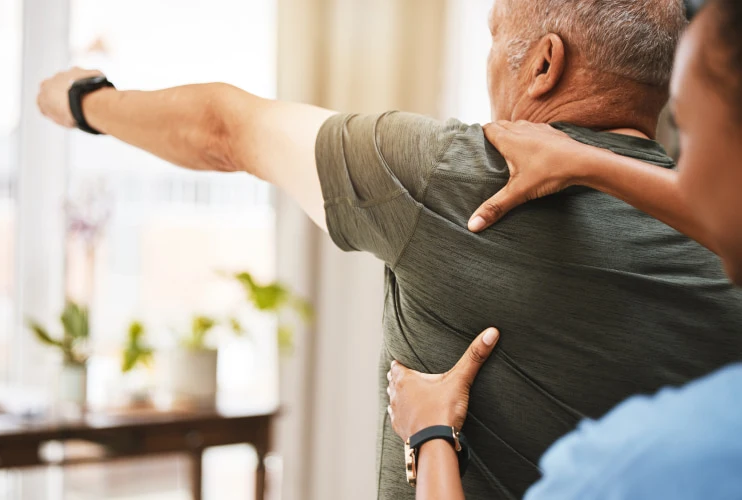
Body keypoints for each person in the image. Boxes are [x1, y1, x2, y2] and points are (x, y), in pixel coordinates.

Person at [36, 1, 742, 498]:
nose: (489, 62)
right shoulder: (723, 223)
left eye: (495, 37)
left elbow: (224, 127)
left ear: (544, 66)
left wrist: (84, 101)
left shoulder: (457, 173)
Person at [387, 0, 742, 498]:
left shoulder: (628, 465)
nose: (678, 175)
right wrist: (588, 162)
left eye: (685, 126)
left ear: (545, 64)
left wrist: (429, 434)